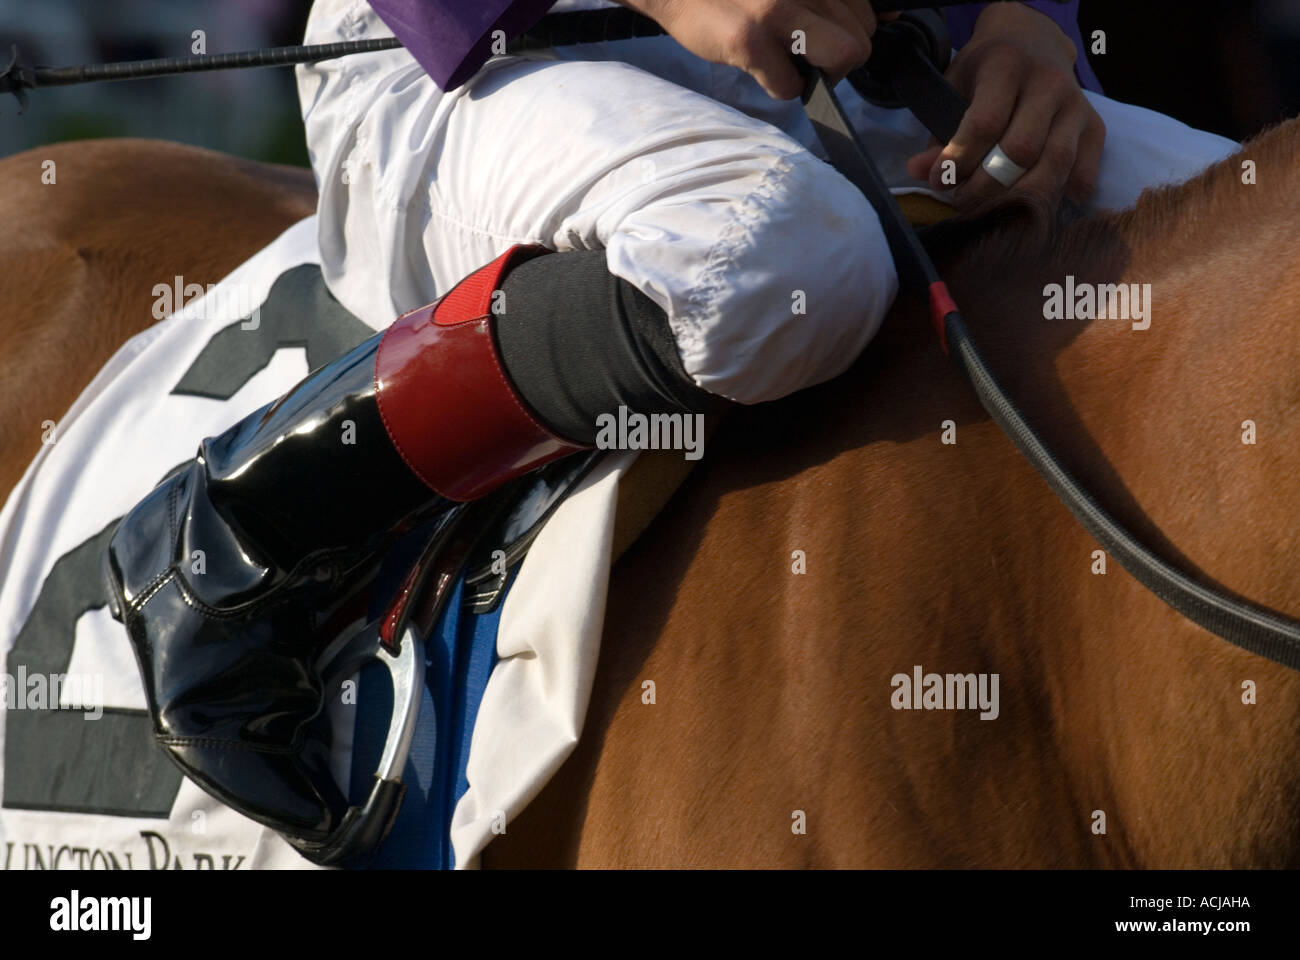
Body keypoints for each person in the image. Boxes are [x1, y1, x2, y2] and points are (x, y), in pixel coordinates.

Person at [104, 0, 1239, 846]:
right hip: (482, 67)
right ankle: (237, 533)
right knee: (783, 255)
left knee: (1241, 242)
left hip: (862, 64)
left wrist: (1029, 27)